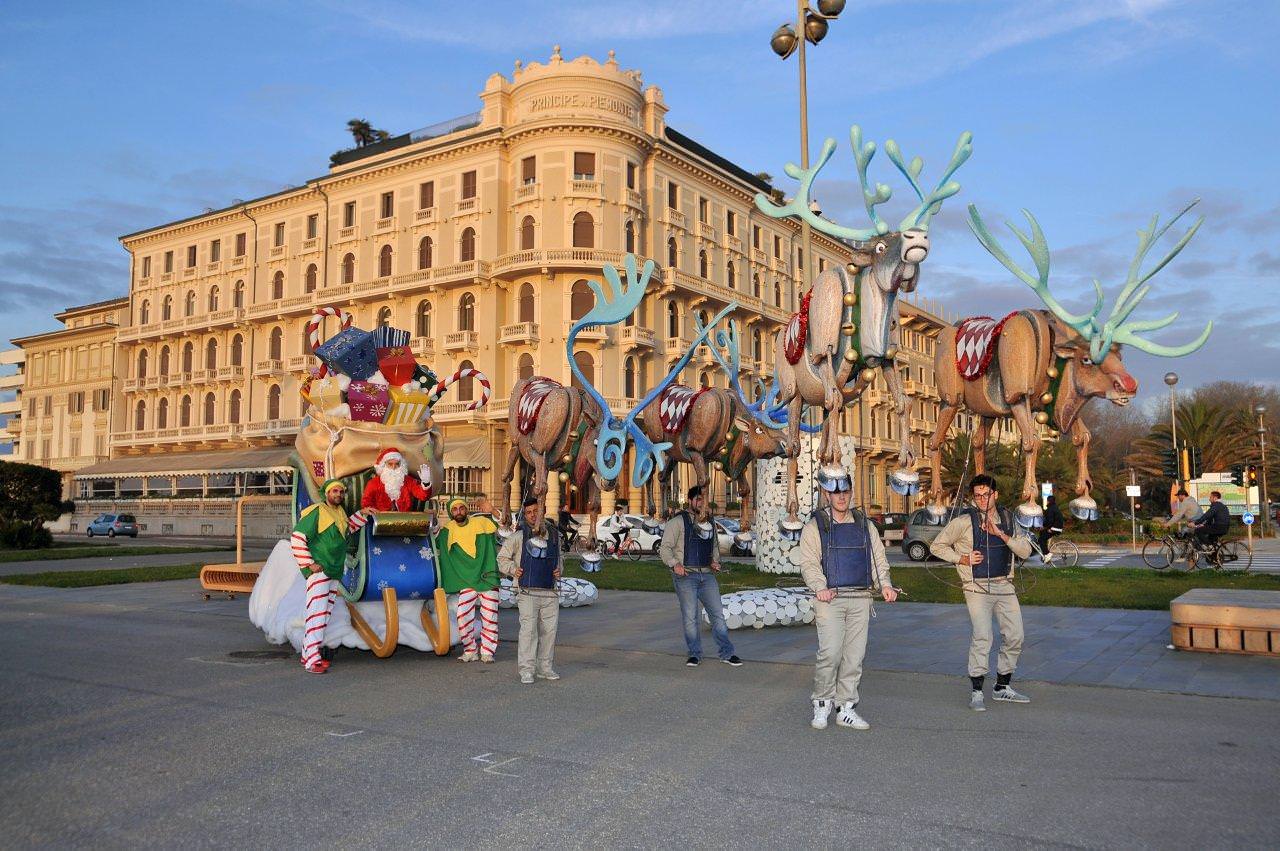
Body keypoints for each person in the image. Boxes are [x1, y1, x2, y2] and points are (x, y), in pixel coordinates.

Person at [798, 466, 898, 731]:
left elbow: (878, 559)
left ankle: (846, 708)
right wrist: (820, 586)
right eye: (836, 492)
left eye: (846, 491)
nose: (841, 497)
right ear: (827, 494)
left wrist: (885, 585)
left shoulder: (865, 525)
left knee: (854, 656)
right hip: (829, 599)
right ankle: (822, 703)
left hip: (861, 598)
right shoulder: (815, 526)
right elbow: (809, 564)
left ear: (851, 493)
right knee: (830, 653)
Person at [930, 474, 1034, 711]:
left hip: (1004, 585)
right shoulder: (964, 521)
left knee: (1016, 635)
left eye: (986, 494)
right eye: (977, 495)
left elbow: (1025, 551)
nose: (982, 499)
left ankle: (1002, 687)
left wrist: (1001, 535)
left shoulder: (1008, 519)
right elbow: (937, 546)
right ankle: (977, 690)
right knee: (983, 635)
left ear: (995, 494)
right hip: (976, 586)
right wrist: (962, 558)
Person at [289, 479, 373, 674]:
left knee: (323, 613)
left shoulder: (339, 513)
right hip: (321, 570)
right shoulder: (318, 511)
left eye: (341, 492)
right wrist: (308, 563)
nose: (338, 494)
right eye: (334, 491)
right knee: (317, 613)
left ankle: (307, 654)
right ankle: (312, 660)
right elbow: (297, 537)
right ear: (326, 493)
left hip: (334, 570)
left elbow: (348, 528)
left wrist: (363, 514)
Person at [658, 485, 742, 668]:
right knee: (690, 617)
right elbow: (664, 549)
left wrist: (715, 561)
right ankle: (694, 654)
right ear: (690, 500)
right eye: (698, 500)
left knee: (718, 615)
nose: (701, 503)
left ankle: (727, 653)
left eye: (703, 500)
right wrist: (675, 564)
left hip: (707, 576)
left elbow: (713, 546)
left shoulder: (710, 522)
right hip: (686, 575)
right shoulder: (677, 522)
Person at [498, 497, 563, 684]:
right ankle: (527, 670)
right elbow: (502, 559)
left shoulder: (553, 535)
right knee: (528, 631)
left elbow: (559, 560)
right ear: (524, 515)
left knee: (549, 631)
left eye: (536, 511)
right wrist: (513, 570)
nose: (533, 515)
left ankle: (545, 668)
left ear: (541, 511)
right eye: (529, 512)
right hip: (526, 592)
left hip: (550, 591)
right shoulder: (518, 536)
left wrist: (559, 570)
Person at [435, 498, 501, 663]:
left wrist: (492, 510)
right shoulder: (447, 530)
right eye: (455, 509)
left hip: (487, 578)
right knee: (462, 617)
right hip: (467, 583)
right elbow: (433, 540)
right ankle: (470, 650)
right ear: (451, 513)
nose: (459, 511)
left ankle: (487, 651)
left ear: (466, 509)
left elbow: (507, 528)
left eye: (461, 508)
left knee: (490, 617)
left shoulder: (482, 522)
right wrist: (432, 520)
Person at [361, 448, 432, 512]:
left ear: (401, 465)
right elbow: (366, 502)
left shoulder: (408, 481)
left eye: (397, 464)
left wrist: (426, 483)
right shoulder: (374, 483)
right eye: (390, 464)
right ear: (384, 465)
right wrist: (369, 509)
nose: (394, 467)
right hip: (381, 520)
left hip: (404, 520)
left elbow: (423, 496)